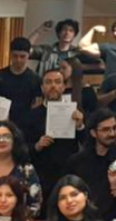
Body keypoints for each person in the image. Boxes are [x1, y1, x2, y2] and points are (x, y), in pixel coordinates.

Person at [21, 68, 82, 211]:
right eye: (48, 82)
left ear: (64, 86)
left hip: (68, 173)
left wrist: (80, 126)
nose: (53, 86)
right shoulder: (30, 116)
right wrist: (37, 146)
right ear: (42, 87)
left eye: (57, 82)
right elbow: (21, 148)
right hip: (41, 175)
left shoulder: (75, 113)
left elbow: (87, 143)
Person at [64, 109, 116, 221]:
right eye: (106, 129)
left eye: (114, 128)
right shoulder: (75, 162)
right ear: (93, 133)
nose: (112, 133)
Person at [0, 37, 41, 126]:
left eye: (22, 56)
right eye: (15, 56)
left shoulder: (35, 79)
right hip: (2, 123)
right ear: (10, 54)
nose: (18, 60)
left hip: (25, 125)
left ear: (28, 55)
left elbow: (36, 106)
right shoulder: (1, 75)